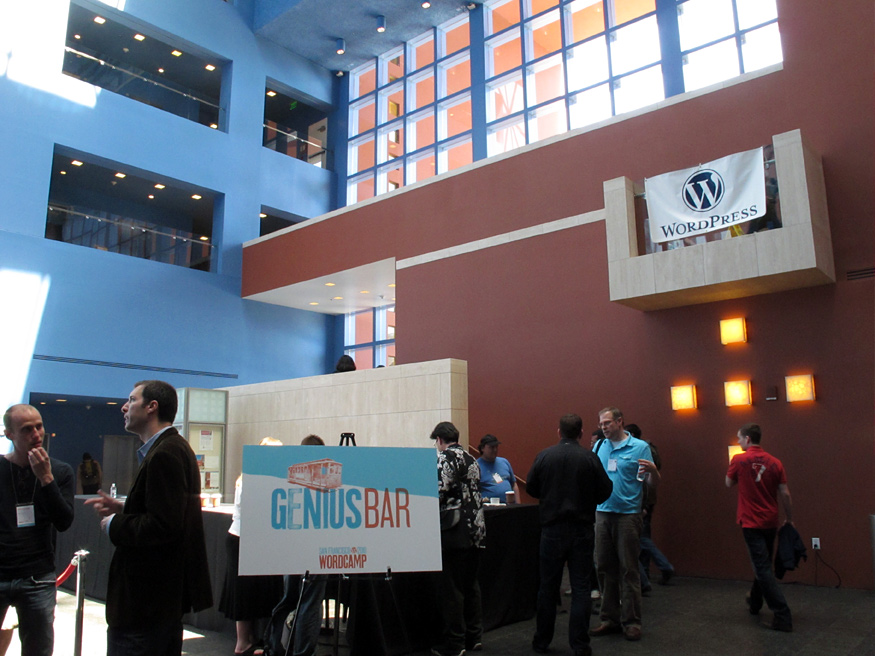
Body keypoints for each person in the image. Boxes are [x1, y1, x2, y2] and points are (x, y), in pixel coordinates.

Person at [85, 380, 213, 656]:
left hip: (145, 606)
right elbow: (166, 513)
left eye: (132, 400)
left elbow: (163, 526)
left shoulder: (165, 453)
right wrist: (125, 509)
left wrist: (114, 524)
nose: (124, 407)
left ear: (152, 407)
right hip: (156, 605)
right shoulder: (172, 448)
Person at [526, 414, 612, 656]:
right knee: (581, 587)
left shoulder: (545, 456)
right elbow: (606, 490)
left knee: (547, 587)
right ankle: (580, 644)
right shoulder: (589, 457)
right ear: (581, 433)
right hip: (582, 529)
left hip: (551, 529)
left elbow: (531, 487)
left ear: (559, 432)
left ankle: (541, 641)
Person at [0, 404, 74, 656]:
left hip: (37, 576)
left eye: (39, 426)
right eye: (26, 429)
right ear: (9, 434)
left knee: (38, 650)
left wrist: (46, 478)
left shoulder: (60, 471)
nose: (36, 434)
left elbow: (64, 521)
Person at [589, 407, 658, 642]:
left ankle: (632, 621)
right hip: (602, 513)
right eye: (601, 424)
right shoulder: (599, 446)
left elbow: (651, 482)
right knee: (604, 567)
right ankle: (609, 618)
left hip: (628, 515)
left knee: (629, 569)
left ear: (619, 422)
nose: (604, 427)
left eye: (607, 423)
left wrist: (653, 473)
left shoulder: (639, 447)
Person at [263, 435, 329, 656]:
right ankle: (303, 652)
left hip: (290, 547)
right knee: (309, 603)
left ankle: (274, 646)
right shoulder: (323, 481)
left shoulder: (290, 477)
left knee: (289, 599)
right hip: (315, 548)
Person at [725, 423, 794, 632]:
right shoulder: (775, 462)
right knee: (763, 563)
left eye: (739, 438)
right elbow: (785, 493)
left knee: (762, 568)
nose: (738, 442)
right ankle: (755, 601)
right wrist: (789, 519)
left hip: (750, 522)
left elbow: (728, 483)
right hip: (770, 521)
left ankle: (782, 614)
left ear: (747, 439)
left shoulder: (738, 460)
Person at [220, 437, 284, 655]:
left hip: (245, 538)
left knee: (248, 591)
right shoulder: (254, 479)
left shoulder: (251, 476)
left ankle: (248, 639)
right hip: (243, 539)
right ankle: (242, 642)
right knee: (244, 592)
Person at [430, 421, 485, 656]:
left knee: (451, 588)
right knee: (471, 584)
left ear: (440, 440)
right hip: (476, 528)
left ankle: (455, 644)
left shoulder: (444, 458)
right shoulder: (472, 459)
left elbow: (439, 489)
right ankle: (475, 637)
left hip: (454, 530)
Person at [624, 424, 674, 591]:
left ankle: (661, 568)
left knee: (641, 539)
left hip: (641, 501)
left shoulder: (640, 451)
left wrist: (643, 505)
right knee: (643, 537)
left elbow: (643, 481)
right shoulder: (649, 448)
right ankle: (645, 574)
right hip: (648, 500)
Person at [475, 434, 520, 502]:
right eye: (491, 447)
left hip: (509, 505)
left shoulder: (504, 462)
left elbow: (514, 484)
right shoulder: (476, 466)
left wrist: (518, 504)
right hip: (489, 506)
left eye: (496, 447)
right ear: (482, 448)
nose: (495, 450)